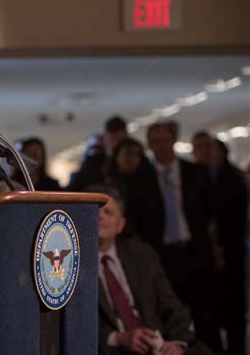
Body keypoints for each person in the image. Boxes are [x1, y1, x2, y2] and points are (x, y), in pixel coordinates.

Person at [94, 185, 213, 355]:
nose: (100, 217)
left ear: (120, 225)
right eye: (95, 212)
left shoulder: (142, 255)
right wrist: (119, 338)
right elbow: (77, 325)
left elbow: (172, 306)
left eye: (108, 213)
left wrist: (177, 344)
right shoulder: (74, 265)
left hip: (161, 343)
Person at [145, 121, 220, 352]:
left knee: (206, 315)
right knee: (171, 317)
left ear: (174, 140)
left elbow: (210, 212)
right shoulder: (142, 178)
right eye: (156, 142)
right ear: (150, 145)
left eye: (165, 140)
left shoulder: (195, 172)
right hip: (162, 256)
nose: (162, 146)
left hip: (194, 251)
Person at [192, 132, 248, 355]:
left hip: (231, 252)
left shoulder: (233, 177)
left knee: (234, 310)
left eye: (208, 146)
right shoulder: (191, 178)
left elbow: (239, 218)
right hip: (201, 257)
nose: (205, 152)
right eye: (199, 147)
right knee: (207, 313)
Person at [104, 137, 158, 238]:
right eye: (127, 153)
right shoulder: (107, 187)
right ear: (117, 156)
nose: (131, 158)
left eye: (136, 154)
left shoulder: (148, 185)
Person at [68, 115, 127, 191]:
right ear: (105, 137)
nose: (115, 144)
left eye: (119, 140)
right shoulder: (93, 160)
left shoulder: (129, 162)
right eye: (112, 139)